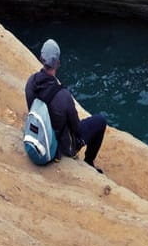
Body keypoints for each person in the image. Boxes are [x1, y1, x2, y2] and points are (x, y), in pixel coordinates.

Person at [25, 39, 107, 169]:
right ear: (58, 63)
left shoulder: (30, 83)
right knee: (100, 121)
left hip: (42, 136)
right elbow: (77, 130)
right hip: (62, 145)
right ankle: (89, 162)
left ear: (41, 58)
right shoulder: (64, 95)